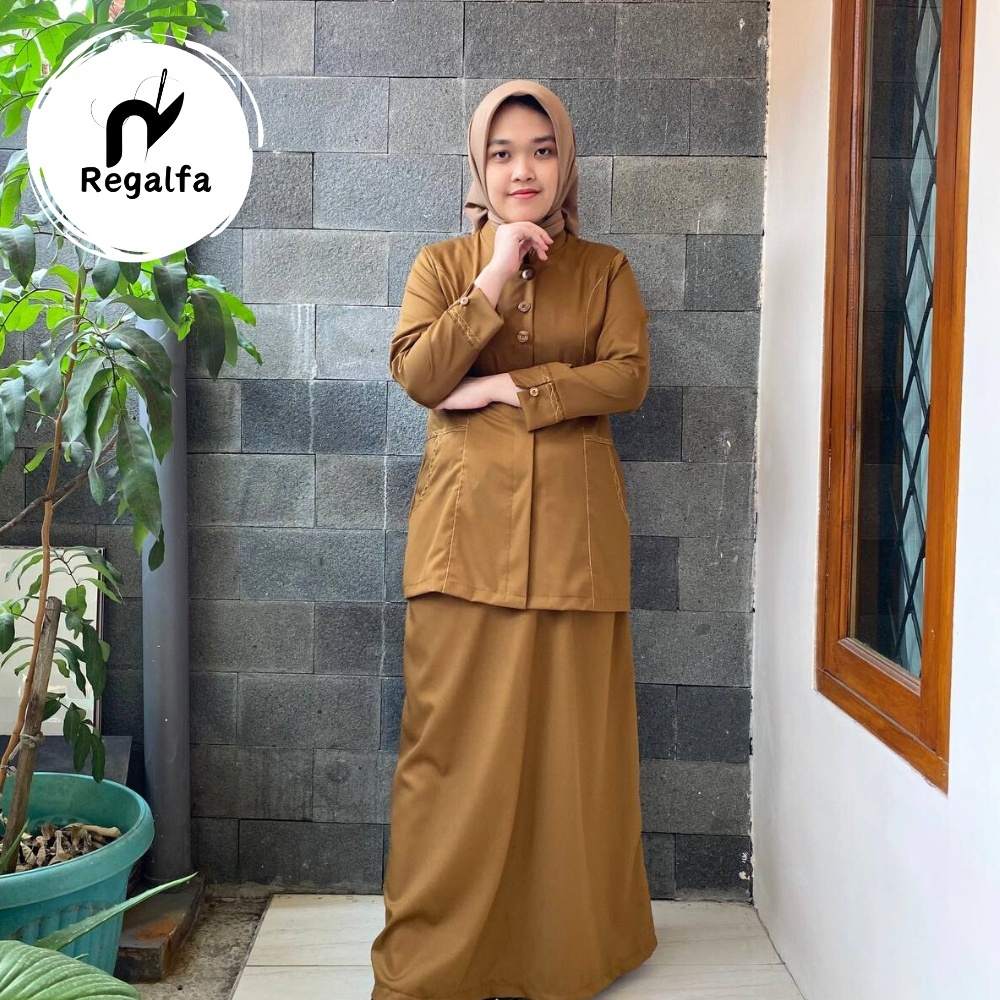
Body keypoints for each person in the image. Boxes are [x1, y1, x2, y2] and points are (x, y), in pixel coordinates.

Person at [370, 79, 657, 1000]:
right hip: (461, 544)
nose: (521, 170)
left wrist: (505, 389)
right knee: (448, 758)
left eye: (540, 150)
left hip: (576, 546)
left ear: (564, 161)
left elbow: (626, 378)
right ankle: (434, 963)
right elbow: (422, 375)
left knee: (573, 762)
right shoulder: (444, 265)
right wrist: (494, 273)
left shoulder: (606, 269)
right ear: (478, 167)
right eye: (501, 153)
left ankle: (568, 955)